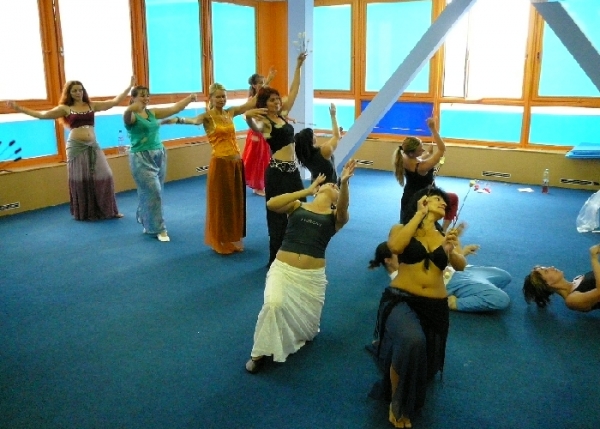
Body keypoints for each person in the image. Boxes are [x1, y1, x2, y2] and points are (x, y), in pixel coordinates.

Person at [368, 186, 466, 429]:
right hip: (401, 299)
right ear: (421, 202)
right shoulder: (401, 228)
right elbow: (395, 247)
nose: (443, 203)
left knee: (425, 364)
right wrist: (418, 215)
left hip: (435, 306)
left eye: (444, 201)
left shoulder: (445, 235)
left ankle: (398, 370)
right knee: (412, 341)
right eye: (436, 199)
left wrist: (451, 249)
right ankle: (397, 404)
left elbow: (461, 265)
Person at [245, 159, 356, 374]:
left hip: (310, 277)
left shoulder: (335, 217)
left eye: (335, 187)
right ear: (317, 189)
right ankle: (258, 353)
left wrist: (344, 183)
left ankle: (291, 335)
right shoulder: (298, 206)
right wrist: (306, 190)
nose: (331, 185)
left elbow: (343, 210)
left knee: (308, 330)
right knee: (273, 304)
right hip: (283, 270)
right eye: (328, 184)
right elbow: (272, 203)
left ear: (337, 199)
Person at [6, 77, 135, 220]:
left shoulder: (91, 105)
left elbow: (114, 102)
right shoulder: (65, 108)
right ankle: (85, 212)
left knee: (106, 175)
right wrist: (18, 108)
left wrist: (129, 86)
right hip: (75, 146)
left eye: (80, 90)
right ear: (69, 93)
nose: (78, 93)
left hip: (93, 144)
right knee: (80, 179)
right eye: (74, 91)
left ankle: (109, 210)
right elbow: (42, 116)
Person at [161, 83, 267, 254]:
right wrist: (176, 120)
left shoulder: (230, 112)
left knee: (234, 203)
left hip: (235, 163)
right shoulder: (207, 117)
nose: (221, 99)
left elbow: (250, 103)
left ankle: (231, 238)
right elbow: (193, 121)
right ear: (211, 98)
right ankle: (219, 240)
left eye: (223, 96)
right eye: (218, 96)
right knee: (221, 204)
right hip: (220, 163)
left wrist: (265, 84)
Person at [254, 52, 308, 266]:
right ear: (264, 103)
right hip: (276, 172)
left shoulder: (282, 115)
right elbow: (255, 127)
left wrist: (298, 66)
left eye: (277, 99)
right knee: (276, 216)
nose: (277, 102)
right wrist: (249, 117)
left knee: (300, 208)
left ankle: (295, 252)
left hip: (292, 171)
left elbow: (294, 90)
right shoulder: (265, 122)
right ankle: (275, 259)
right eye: (272, 100)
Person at [123, 86, 197, 242]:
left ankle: (146, 217)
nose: (145, 98)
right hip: (141, 157)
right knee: (154, 191)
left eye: (147, 95)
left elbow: (174, 109)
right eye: (142, 95)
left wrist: (189, 99)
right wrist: (130, 108)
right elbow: (127, 117)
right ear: (133, 98)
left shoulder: (152, 113)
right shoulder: (133, 116)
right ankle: (159, 229)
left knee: (153, 192)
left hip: (159, 154)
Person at [369, 241, 511, 313]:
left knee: (505, 276)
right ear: (388, 260)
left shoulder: (406, 263)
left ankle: (479, 289)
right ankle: (455, 303)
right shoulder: (399, 280)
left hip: (458, 271)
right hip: (453, 282)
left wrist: (461, 254)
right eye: (398, 253)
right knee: (501, 299)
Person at [393, 118, 458, 231]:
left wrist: (428, 153)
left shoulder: (403, 157)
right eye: (420, 149)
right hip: (424, 197)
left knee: (409, 226)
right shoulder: (422, 167)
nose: (422, 150)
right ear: (412, 153)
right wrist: (433, 128)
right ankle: (443, 230)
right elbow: (442, 149)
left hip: (408, 197)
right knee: (453, 199)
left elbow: (418, 159)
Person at [523, 244, 600, 312]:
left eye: (547, 268)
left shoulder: (577, 279)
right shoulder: (572, 300)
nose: (552, 267)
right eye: (546, 271)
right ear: (547, 284)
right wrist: (594, 258)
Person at [242, 69, 275, 197]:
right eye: (260, 83)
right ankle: (257, 186)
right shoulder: (252, 99)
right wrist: (269, 79)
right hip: (255, 132)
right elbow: (247, 114)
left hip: (263, 131)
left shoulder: (263, 99)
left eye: (263, 82)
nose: (262, 84)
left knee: (265, 158)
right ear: (254, 85)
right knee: (256, 158)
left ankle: (261, 184)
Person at [294, 103, 341, 183]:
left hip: (316, 186)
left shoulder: (305, 155)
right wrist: (333, 116)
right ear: (311, 140)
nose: (315, 135)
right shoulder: (325, 150)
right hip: (329, 186)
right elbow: (336, 136)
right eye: (313, 134)